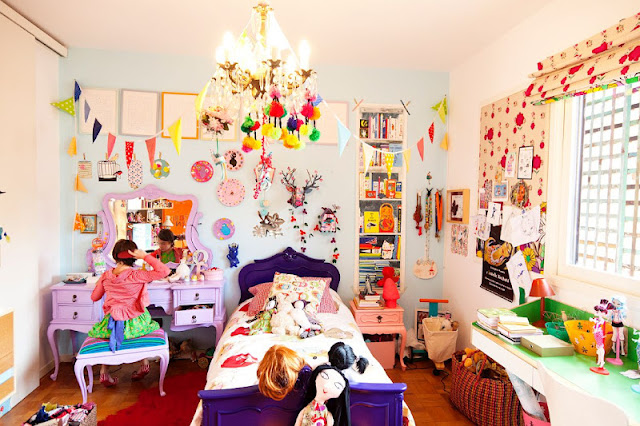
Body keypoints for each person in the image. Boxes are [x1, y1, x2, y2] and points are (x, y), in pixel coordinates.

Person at [89, 239, 170, 387]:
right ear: (133, 256)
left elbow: (94, 297)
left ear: (115, 255)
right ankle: (144, 363)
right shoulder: (137, 275)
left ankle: (104, 370)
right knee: (147, 326)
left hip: (113, 321)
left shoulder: (106, 276)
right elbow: (165, 271)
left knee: (110, 335)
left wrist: (100, 284)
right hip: (135, 323)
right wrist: (145, 256)